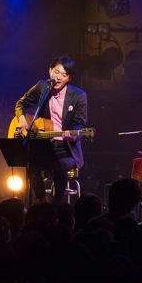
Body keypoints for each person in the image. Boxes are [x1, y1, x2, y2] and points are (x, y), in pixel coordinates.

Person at [15, 56, 88, 204]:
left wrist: (73, 135)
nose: (59, 77)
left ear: (69, 78)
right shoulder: (42, 87)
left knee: (60, 168)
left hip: (65, 148)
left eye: (64, 75)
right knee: (31, 166)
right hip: (43, 145)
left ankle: (56, 205)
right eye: (56, 72)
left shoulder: (78, 95)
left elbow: (79, 124)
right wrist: (22, 119)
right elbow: (21, 104)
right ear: (50, 71)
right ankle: (43, 200)